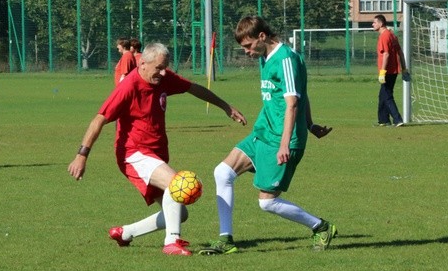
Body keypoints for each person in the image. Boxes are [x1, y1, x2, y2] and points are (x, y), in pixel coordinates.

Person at [68, 42, 247, 256]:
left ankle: (125, 233)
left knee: (179, 214)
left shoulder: (163, 78)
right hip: (133, 154)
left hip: (156, 154)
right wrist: (81, 155)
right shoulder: (129, 87)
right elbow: (98, 120)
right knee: (177, 183)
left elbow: (194, 88)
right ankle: (172, 242)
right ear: (143, 63)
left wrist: (226, 106)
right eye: (158, 68)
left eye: (165, 67)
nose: (163, 72)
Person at [199, 15, 335, 255]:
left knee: (267, 202)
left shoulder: (286, 59)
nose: (247, 52)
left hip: (282, 139)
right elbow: (301, 94)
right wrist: (311, 124)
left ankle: (320, 226)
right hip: (262, 132)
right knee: (223, 172)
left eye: (248, 46)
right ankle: (226, 239)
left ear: (262, 36)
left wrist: (286, 143)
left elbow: (293, 102)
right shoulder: (265, 57)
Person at [372, 14, 410, 127]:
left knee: (387, 96)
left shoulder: (385, 36)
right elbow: (400, 53)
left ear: (381, 23)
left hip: (387, 71)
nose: (372, 24)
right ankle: (383, 120)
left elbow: (386, 54)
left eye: (374, 22)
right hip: (394, 70)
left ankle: (398, 119)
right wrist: (404, 69)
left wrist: (382, 71)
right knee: (382, 95)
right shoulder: (392, 36)